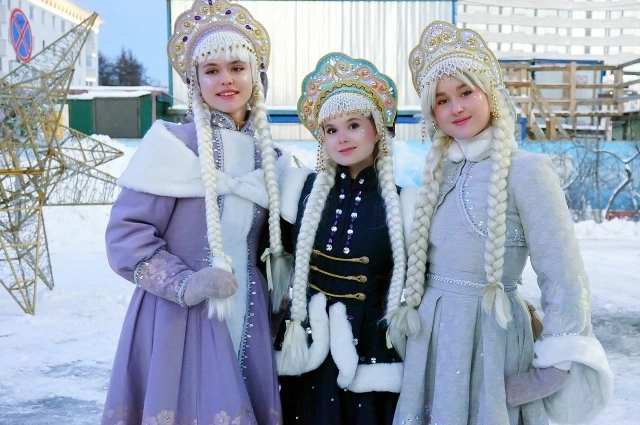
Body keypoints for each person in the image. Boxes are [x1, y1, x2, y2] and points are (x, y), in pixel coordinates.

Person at [390, 21, 613, 425]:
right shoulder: (439, 173)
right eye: (442, 100)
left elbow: (562, 272)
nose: (456, 107)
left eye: (466, 92)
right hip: (433, 342)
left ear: (489, 93)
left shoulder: (528, 171)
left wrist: (556, 365)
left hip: (491, 342)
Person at [100, 1, 307, 424]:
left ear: (257, 76)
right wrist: (185, 283)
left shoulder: (273, 161)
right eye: (211, 70)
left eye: (237, 67)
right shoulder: (173, 147)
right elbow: (126, 236)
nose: (226, 79)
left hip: (249, 311)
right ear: (195, 81)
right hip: (178, 314)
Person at [275, 52, 408, 425]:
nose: (342, 138)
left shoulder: (404, 204)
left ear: (377, 128)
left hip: (371, 352)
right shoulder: (299, 191)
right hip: (308, 346)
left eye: (353, 125)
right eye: (331, 130)